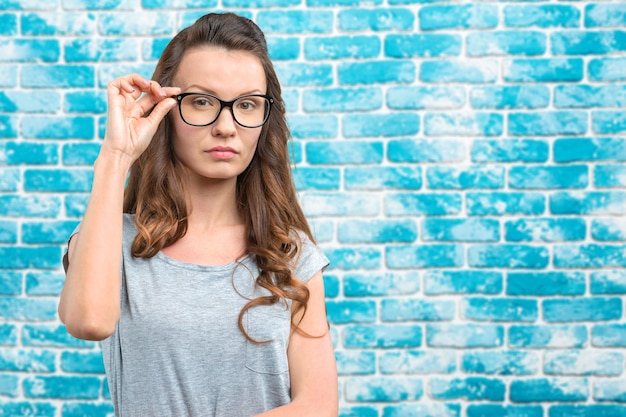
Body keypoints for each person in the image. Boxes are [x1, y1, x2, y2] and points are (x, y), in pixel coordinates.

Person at [58, 12, 338, 417]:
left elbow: (318, 406)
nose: (226, 126)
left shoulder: (290, 253)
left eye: (246, 104)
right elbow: (88, 322)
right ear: (166, 109)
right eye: (203, 102)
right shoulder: (112, 241)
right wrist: (115, 158)